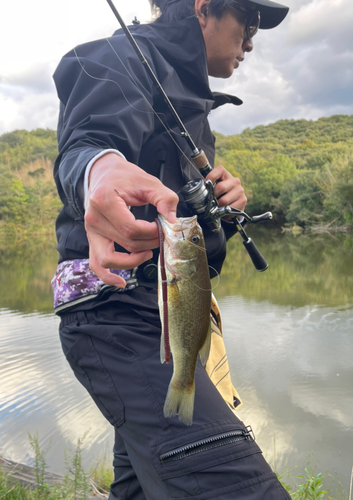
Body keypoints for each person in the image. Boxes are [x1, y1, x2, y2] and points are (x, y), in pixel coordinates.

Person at [52, 0, 291, 498]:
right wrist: (99, 169)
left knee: (138, 489)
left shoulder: (190, 100)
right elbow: (87, 142)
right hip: (119, 312)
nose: (251, 42)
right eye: (248, 25)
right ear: (204, 7)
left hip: (167, 315)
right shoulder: (122, 57)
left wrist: (222, 201)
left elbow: (183, 218)